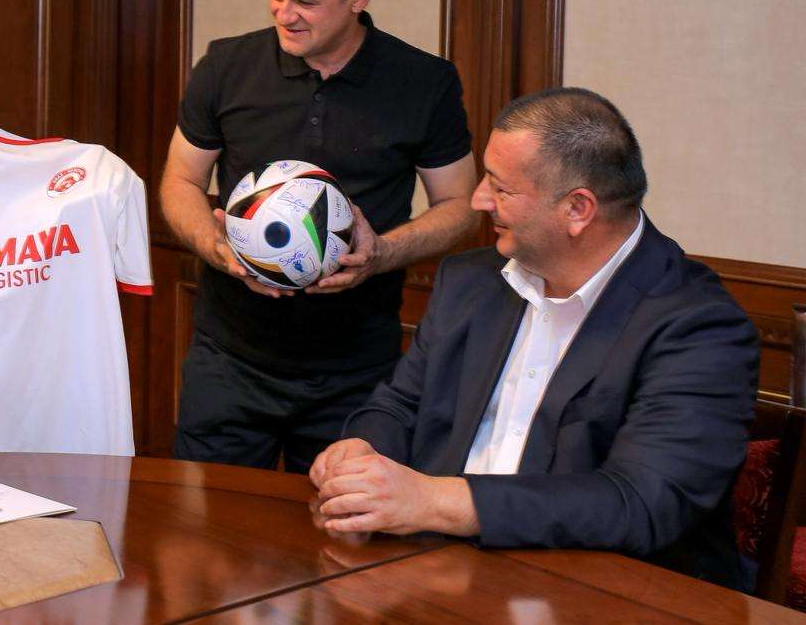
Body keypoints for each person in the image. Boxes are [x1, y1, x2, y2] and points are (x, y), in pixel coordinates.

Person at [310, 88, 759, 589]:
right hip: (436, 572)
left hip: (605, 593)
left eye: (501, 188)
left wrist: (433, 501)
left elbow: (640, 502)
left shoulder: (699, 327)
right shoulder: (470, 281)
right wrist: (362, 450)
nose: (479, 200)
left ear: (578, 209)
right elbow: (400, 405)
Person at [161, 0, 478, 473]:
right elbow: (181, 180)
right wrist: (217, 250)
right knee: (213, 522)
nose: (284, 14)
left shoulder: (423, 83)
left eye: (304, 1)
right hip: (229, 361)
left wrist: (382, 252)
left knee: (340, 521)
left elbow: (460, 206)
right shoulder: (226, 66)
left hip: (356, 373)